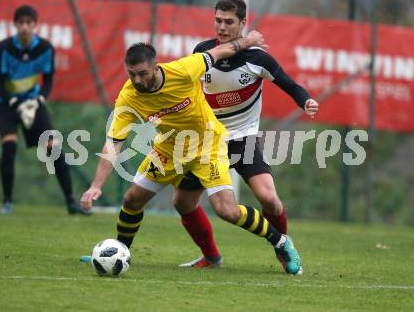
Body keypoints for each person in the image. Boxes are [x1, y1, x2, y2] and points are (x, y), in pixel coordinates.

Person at [80, 34, 303, 275]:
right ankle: (117, 252)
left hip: (208, 145)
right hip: (169, 150)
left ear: (156, 68)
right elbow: (113, 143)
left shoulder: (184, 70)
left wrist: (247, 41)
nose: (137, 79)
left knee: (226, 210)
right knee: (132, 200)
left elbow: (220, 52)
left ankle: (281, 242)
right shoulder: (129, 97)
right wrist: (96, 185)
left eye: (142, 73)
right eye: (131, 73)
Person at [174, 0, 318, 272]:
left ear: (243, 23)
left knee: (269, 199)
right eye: (218, 20)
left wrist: (306, 101)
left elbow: (290, 85)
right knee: (182, 201)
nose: (222, 27)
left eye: (229, 22)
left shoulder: (258, 59)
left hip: (243, 139)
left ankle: (282, 246)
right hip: (208, 141)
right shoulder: (202, 52)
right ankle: (212, 257)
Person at [0, 5, 88, 215]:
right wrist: (16, 103)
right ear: (15, 25)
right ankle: (7, 202)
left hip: (33, 102)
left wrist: (39, 99)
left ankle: (71, 202)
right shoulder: (3, 48)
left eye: (29, 23)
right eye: (21, 23)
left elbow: (48, 80)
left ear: (35, 25)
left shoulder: (45, 48)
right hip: (5, 103)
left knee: (54, 146)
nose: (25, 27)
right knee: (9, 146)